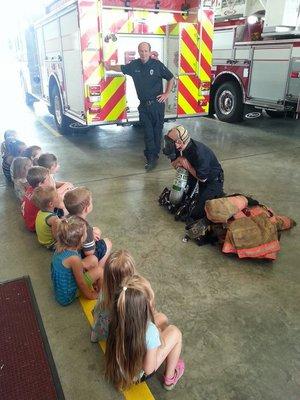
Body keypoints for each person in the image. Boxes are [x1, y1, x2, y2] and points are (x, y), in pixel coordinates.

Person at [105, 275, 184, 391]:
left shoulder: (116, 317)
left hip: (117, 366)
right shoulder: (150, 332)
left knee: (161, 317)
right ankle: (170, 378)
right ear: (144, 309)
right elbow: (149, 369)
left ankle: (166, 348)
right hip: (134, 375)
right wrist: (156, 342)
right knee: (175, 332)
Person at [105, 42, 175, 171]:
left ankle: (154, 155)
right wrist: (109, 66)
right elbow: (121, 68)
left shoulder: (157, 65)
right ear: (138, 51)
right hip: (143, 107)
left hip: (157, 105)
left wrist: (166, 94)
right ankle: (151, 158)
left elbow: (171, 78)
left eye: (146, 51)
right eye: (141, 51)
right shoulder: (134, 65)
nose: (143, 53)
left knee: (156, 132)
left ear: (149, 51)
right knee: (148, 133)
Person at [91, 250, 168, 342]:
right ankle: (157, 346)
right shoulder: (133, 296)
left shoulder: (105, 289)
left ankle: (95, 335)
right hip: (121, 338)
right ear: (132, 272)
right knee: (162, 318)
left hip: (102, 328)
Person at [165, 125, 224, 221]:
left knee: (195, 214)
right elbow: (174, 165)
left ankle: (217, 193)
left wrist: (187, 165)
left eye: (170, 142)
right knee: (181, 200)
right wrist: (180, 159)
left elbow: (203, 178)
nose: (168, 144)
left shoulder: (198, 152)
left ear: (179, 142)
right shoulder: (177, 146)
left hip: (211, 179)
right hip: (194, 173)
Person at [51, 216, 103, 305]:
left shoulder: (61, 246)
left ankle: (94, 284)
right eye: (86, 232)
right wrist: (91, 295)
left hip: (61, 288)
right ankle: (101, 294)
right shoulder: (74, 259)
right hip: (67, 295)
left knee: (93, 259)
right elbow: (81, 283)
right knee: (100, 271)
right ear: (81, 239)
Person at [63, 187, 112, 268]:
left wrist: (91, 235)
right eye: (91, 202)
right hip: (80, 256)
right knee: (108, 243)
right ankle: (98, 269)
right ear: (86, 208)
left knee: (96, 230)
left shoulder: (66, 220)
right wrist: (91, 239)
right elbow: (89, 253)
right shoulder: (86, 228)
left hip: (70, 252)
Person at [21, 166, 55, 232]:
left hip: (28, 221)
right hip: (34, 225)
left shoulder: (31, 188)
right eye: (48, 179)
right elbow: (58, 202)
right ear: (40, 184)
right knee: (63, 210)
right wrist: (56, 186)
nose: (50, 179)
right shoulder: (42, 195)